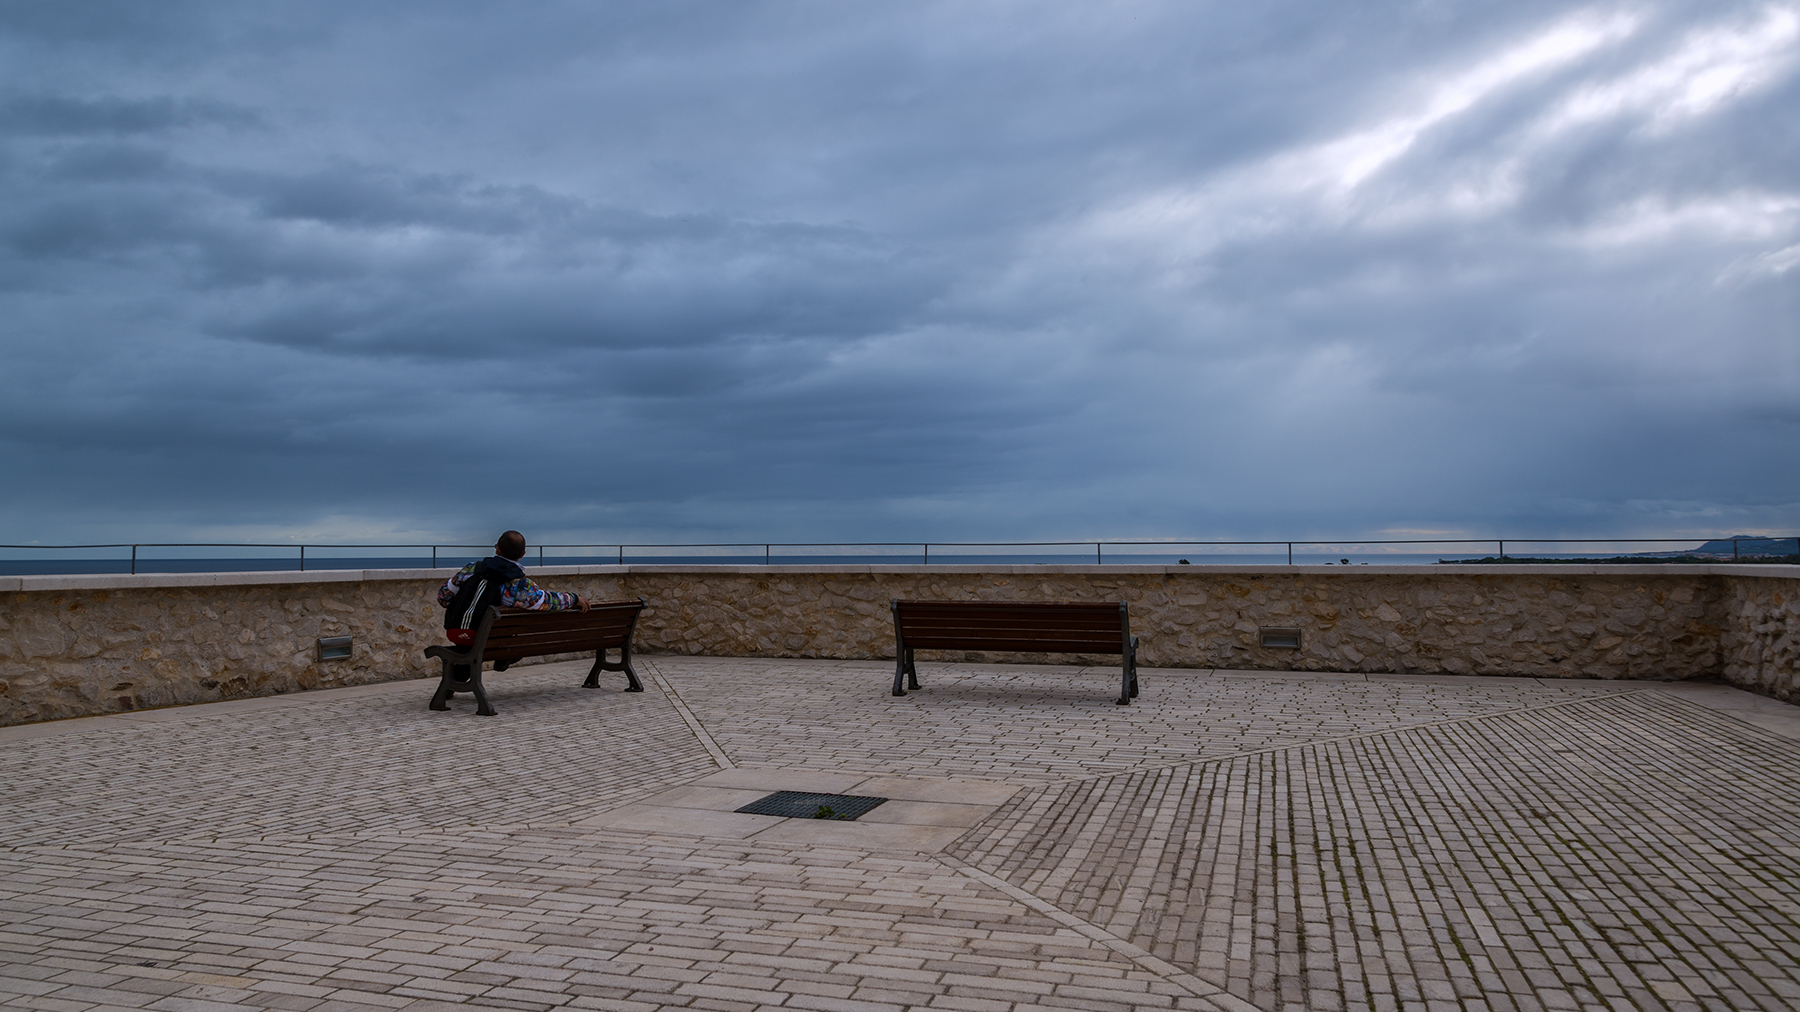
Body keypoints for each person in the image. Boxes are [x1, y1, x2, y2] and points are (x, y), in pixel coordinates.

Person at [438, 530, 589, 648]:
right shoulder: (521, 585)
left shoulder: (472, 569)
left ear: (498, 549)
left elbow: (443, 597)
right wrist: (574, 598)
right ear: (523, 554)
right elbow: (548, 601)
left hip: (456, 632)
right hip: (494, 640)